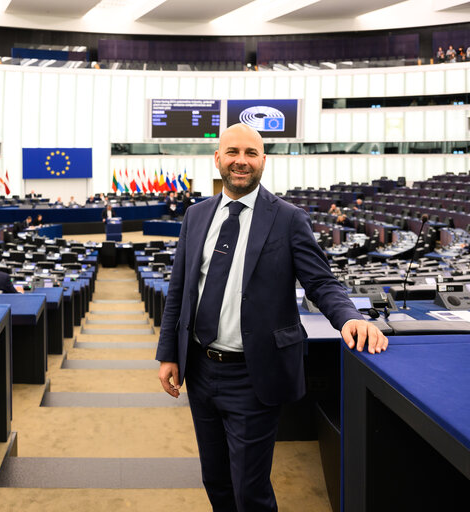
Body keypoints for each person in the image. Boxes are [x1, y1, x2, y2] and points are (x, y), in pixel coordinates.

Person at [156, 123, 388, 512]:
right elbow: (179, 291)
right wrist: (168, 354)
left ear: (264, 160)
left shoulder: (288, 218)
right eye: (232, 153)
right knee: (215, 479)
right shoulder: (196, 216)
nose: (240, 161)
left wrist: (349, 317)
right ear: (218, 159)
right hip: (199, 369)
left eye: (250, 153)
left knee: (250, 489)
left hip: (254, 373)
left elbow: (320, 281)